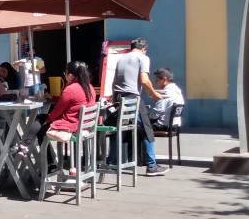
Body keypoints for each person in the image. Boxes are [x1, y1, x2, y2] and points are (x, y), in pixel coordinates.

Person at [110, 37, 167, 177]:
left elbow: (114, 81)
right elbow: (144, 80)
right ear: (144, 49)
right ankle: (151, 166)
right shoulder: (143, 57)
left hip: (118, 97)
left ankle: (111, 162)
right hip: (132, 98)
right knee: (147, 130)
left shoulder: (121, 58)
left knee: (120, 130)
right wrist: (154, 94)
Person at [17, 61, 96, 159]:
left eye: (65, 74)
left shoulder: (70, 89)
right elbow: (73, 101)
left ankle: (46, 160)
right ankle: (26, 144)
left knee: (40, 122)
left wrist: (47, 120)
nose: (65, 76)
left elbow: (56, 112)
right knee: (41, 120)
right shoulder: (89, 87)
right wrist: (53, 97)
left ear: (70, 75)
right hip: (85, 125)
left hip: (71, 126)